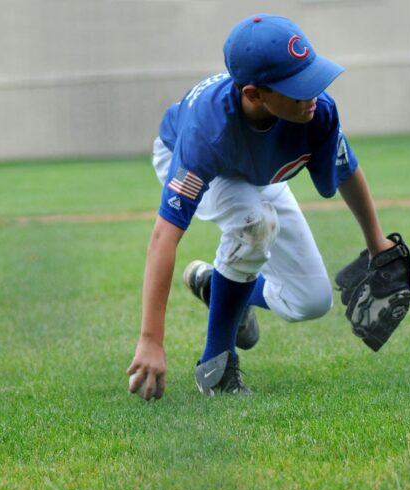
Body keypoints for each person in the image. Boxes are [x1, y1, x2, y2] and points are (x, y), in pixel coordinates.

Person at [126, 15, 395, 399]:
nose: (312, 94)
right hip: (191, 159)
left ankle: (213, 283)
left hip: (256, 171)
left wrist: (376, 243)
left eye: (312, 77)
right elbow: (164, 236)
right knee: (255, 222)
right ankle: (216, 367)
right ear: (254, 94)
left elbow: (346, 169)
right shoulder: (206, 132)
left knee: (311, 300)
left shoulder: (315, 111)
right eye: (298, 88)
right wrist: (151, 339)